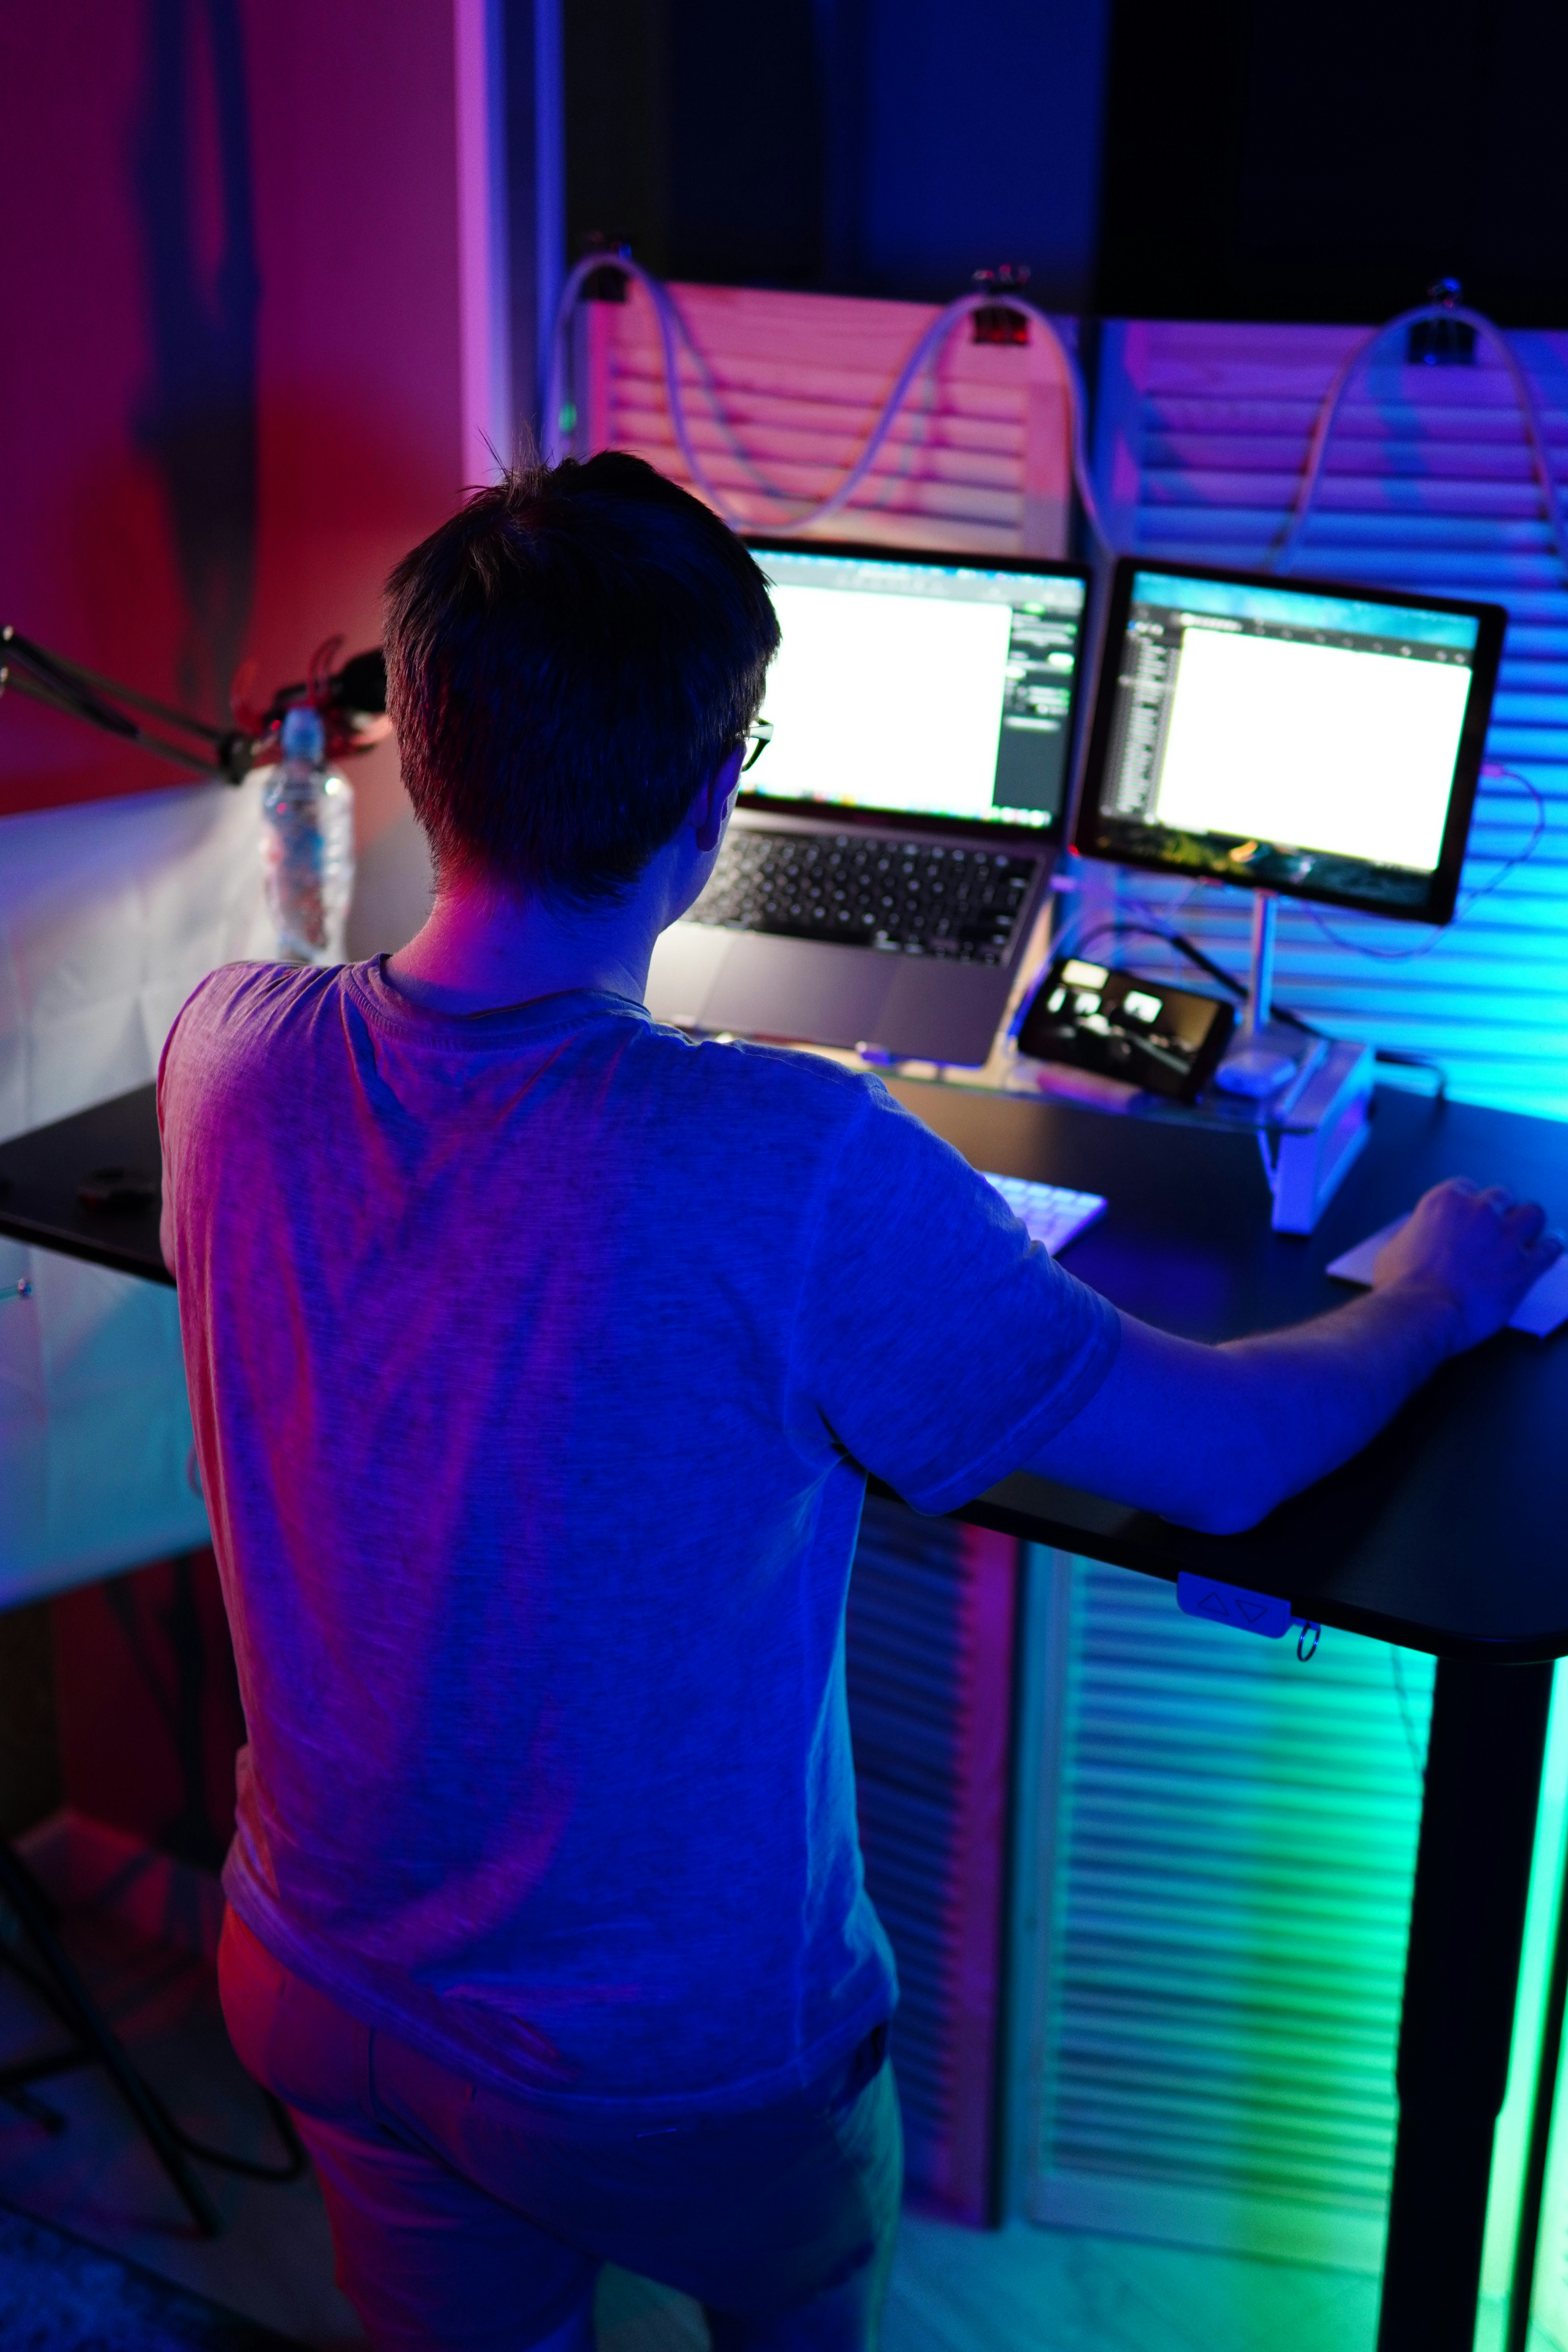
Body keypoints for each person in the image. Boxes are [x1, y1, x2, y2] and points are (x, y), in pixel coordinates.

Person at [158, 453, 1559, 2352]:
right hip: (669, 2071)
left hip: (318, 1982)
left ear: (414, 745)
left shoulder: (225, 1058)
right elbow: (1226, 1465)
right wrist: (1430, 1294)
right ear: (719, 794)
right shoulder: (789, 1161)